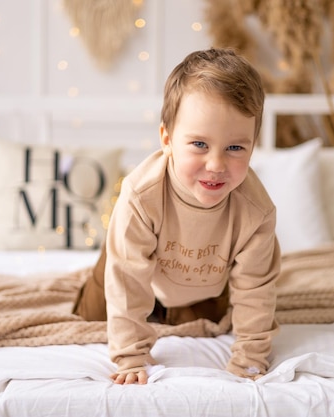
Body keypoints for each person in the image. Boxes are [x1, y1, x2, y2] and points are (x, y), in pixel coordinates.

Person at [73, 47, 281, 385]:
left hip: (203, 283)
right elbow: (127, 279)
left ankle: (164, 309)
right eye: (199, 144)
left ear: (253, 146)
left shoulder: (256, 212)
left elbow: (255, 289)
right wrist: (130, 356)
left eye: (235, 148)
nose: (215, 165)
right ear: (167, 139)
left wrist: (251, 359)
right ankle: (99, 279)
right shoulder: (142, 194)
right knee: (94, 314)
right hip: (132, 262)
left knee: (200, 322)